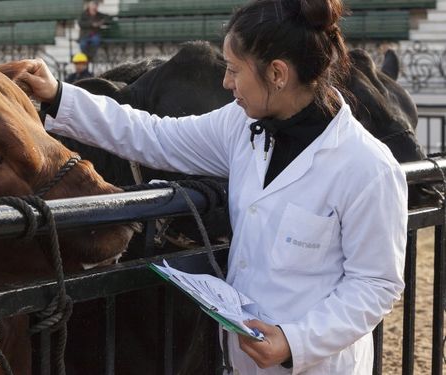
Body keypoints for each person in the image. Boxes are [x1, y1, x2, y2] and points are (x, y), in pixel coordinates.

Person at [22, 0, 407, 373]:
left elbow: (375, 284)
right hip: (242, 358)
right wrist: (58, 95)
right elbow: (154, 135)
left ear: (277, 73)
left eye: (235, 70)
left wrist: (295, 342)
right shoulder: (240, 126)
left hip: (317, 365)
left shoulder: (367, 166)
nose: (226, 82)